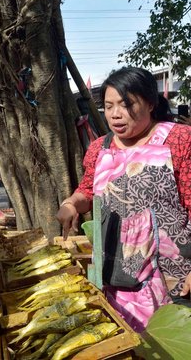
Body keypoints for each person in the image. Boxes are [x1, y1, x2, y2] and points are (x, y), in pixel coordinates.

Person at [56, 66, 191, 332]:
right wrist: (71, 204)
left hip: (174, 276)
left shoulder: (179, 140)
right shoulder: (100, 148)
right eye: (108, 106)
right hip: (116, 275)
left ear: (150, 103)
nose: (116, 114)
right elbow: (87, 190)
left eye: (126, 104)